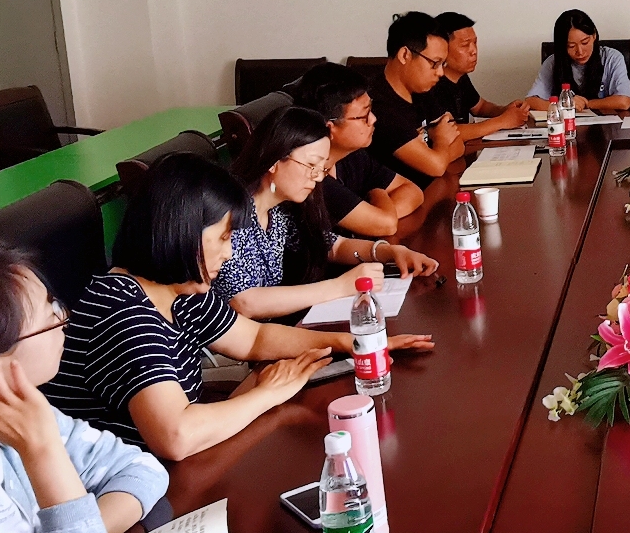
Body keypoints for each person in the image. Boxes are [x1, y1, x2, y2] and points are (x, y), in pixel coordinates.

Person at [42, 154, 434, 460]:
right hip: (123, 493)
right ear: (182, 231)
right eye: (223, 237)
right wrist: (269, 393)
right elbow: (176, 437)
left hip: (169, 470)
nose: (228, 253)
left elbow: (254, 338)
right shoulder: (121, 308)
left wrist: (352, 343)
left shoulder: (179, 290)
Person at [0, 245, 168, 533]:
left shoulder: (36, 417)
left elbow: (142, 468)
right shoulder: (34, 432)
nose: (64, 319)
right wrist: (42, 452)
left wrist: (87, 528)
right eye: (50, 312)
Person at [215, 106, 438, 320]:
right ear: (274, 161)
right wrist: (340, 286)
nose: (319, 177)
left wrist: (388, 252)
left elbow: (330, 245)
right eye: (311, 165)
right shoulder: (230, 212)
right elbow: (244, 302)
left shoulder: (277, 209)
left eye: (322, 168)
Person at [294, 63, 425, 237]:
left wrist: (371, 218)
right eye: (364, 116)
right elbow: (386, 224)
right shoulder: (311, 178)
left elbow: (413, 192)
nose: (373, 119)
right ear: (329, 128)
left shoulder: (352, 157)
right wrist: (377, 192)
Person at [367, 11, 462, 189]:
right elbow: (436, 167)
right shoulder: (378, 106)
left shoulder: (421, 90)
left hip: (431, 189)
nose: (441, 73)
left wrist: (438, 153)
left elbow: (458, 144)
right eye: (435, 63)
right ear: (405, 55)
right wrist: (440, 140)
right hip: (400, 197)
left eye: (443, 64)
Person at [431, 12, 531, 138]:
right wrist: (502, 121)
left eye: (475, 43)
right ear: (441, 48)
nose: (474, 51)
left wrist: (505, 110)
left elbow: (480, 107)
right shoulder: (430, 83)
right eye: (465, 45)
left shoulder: (461, 77)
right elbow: (446, 133)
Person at [523, 10, 630, 112]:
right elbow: (531, 101)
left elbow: (624, 102)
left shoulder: (612, 58)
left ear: (594, 36)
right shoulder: (553, 62)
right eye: (571, 46)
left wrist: (585, 104)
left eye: (585, 42)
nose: (580, 52)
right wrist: (564, 104)